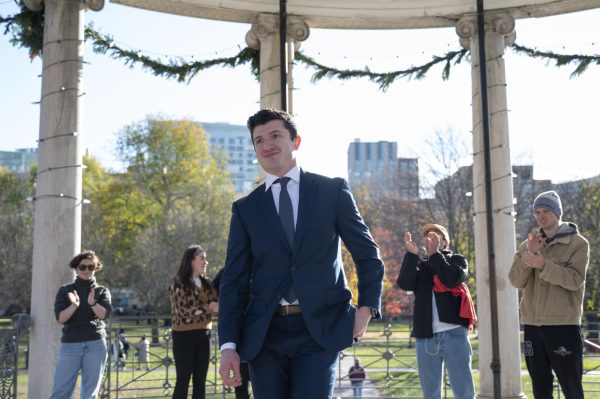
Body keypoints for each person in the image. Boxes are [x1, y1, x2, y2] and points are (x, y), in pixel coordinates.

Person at [218, 109, 384, 398]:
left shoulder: (331, 191)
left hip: (319, 329)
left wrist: (367, 308)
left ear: (296, 141)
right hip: (264, 334)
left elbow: (367, 253)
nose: (267, 144)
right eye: (259, 140)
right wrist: (229, 346)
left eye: (275, 135)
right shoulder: (245, 209)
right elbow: (233, 281)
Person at [509, 190, 589, 399]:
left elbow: (575, 280)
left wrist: (544, 264)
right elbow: (515, 281)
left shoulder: (578, 243)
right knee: (540, 389)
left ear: (557, 212)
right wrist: (531, 254)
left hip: (563, 325)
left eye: (545, 210)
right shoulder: (529, 244)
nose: (541, 216)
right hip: (532, 326)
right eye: (537, 212)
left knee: (572, 389)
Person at [396, 224, 476, 399]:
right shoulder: (421, 265)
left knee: (464, 391)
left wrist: (435, 256)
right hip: (426, 337)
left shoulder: (457, 260)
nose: (430, 238)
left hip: (454, 334)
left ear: (445, 241)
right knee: (430, 393)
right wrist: (411, 255)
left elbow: (451, 278)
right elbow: (405, 284)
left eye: (436, 236)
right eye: (427, 236)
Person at [49, 250, 112, 399]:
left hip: (96, 345)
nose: (86, 270)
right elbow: (60, 318)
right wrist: (74, 305)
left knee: (90, 395)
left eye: (91, 267)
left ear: (96, 268)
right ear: (76, 268)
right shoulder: (65, 290)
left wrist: (93, 303)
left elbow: (104, 315)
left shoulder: (102, 291)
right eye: (82, 267)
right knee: (60, 393)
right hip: (71, 346)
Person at [169, 244, 219, 399]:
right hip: (183, 336)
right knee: (183, 381)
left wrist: (214, 307)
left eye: (206, 258)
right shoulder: (178, 282)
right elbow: (182, 310)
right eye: (202, 258)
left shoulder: (208, 283)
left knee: (200, 382)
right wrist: (208, 308)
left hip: (204, 335)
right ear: (191, 260)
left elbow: (216, 306)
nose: (206, 262)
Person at [213, 267, 251, 399]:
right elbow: (212, 291)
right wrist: (219, 305)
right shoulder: (229, 271)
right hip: (239, 335)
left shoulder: (265, 264)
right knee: (240, 381)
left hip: (265, 333)